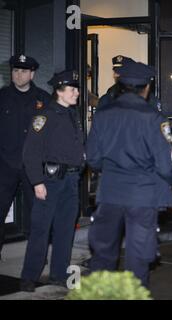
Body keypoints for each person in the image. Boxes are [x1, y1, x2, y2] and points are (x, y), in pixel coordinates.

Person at [86, 60, 172, 288]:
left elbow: (93, 158)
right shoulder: (154, 118)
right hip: (142, 197)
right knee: (138, 259)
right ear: (146, 88)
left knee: (103, 255)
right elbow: (166, 166)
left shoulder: (103, 114)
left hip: (109, 193)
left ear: (122, 85)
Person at [20, 70, 85, 292]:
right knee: (40, 230)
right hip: (50, 181)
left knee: (66, 230)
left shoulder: (72, 114)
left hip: (71, 179)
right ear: (59, 91)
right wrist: (37, 182)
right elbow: (30, 152)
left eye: (76, 88)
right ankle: (29, 276)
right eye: (72, 89)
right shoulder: (44, 115)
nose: (77, 92)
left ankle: (59, 273)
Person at [0, 54, 51, 260]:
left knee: (37, 214)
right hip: (4, 165)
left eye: (23, 71)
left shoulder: (43, 99)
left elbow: (51, 134)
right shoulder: (2, 97)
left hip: (33, 168)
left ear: (32, 74)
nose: (18, 75)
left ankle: (37, 256)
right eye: (15, 70)